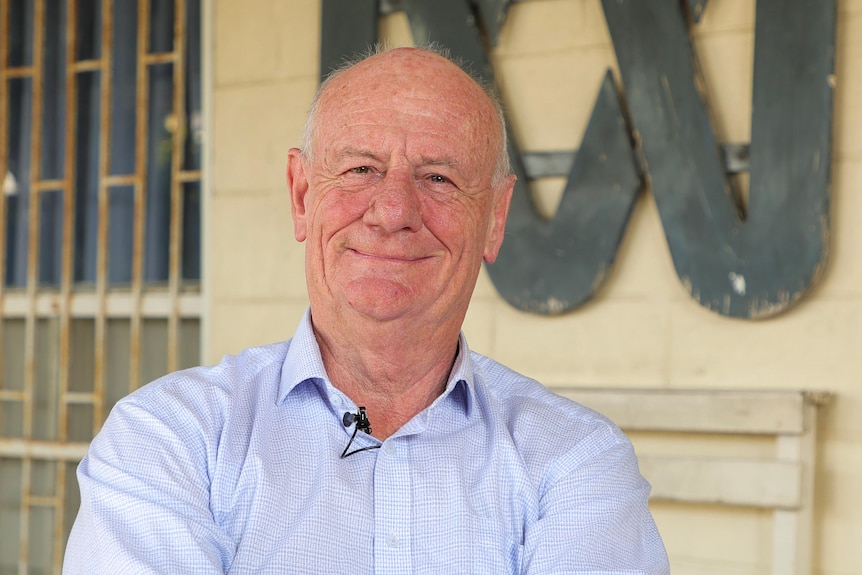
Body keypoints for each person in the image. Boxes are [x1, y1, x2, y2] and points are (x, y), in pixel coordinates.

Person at [63, 46, 669, 574]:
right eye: (360, 169)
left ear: (496, 218)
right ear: (302, 195)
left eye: (438, 177)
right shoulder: (171, 439)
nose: (393, 210)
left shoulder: (576, 462)